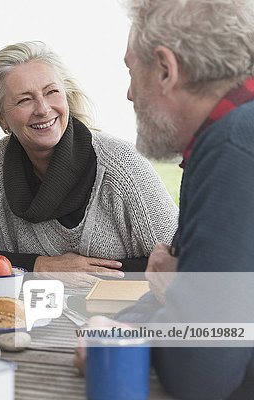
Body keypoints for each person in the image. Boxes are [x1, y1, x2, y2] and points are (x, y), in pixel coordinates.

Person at [74, 0, 254, 398]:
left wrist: (172, 296)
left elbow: (202, 373)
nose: (129, 94)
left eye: (131, 71)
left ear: (165, 69)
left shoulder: (234, 148)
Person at [0, 41, 178, 286]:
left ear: (66, 96)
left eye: (51, 92)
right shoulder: (0, 162)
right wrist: (39, 267)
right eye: (25, 100)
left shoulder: (120, 162)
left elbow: (183, 260)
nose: (43, 109)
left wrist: (85, 277)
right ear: (2, 118)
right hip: (31, 319)